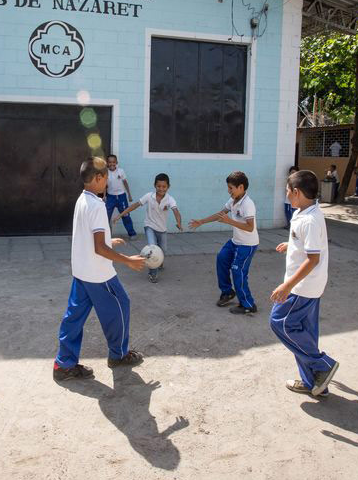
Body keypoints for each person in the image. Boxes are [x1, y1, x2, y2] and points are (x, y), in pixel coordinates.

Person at [53, 157, 146, 381]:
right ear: (98, 178)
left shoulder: (82, 200)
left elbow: (90, 237)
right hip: (98, 274)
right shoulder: (97, 205)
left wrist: (108, 240)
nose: (107, 181)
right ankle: (119, 355)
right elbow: (99, 247)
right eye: (106, 177)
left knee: (73, 318)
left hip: (82, 271)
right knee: (121, 305)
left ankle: (63, 364)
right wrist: (127, 260)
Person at [270, 170, 338, 397]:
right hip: (313, 286)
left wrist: (287, 285)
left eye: (287, 191)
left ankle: (322, 364)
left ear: (296, 192)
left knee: (279, 323)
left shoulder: (308, 220)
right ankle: (314, 383)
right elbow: (311, 246)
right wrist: (292, 244)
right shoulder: (308, 211)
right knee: (304, 335)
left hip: (301, 287)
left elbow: (313, 259)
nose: (286, 195)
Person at [189, 171, 259, 315]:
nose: (229, 191)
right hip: (236, 241)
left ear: (241, 187)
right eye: (228, 188)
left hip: (247, 245)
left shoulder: (248, 204)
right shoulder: (233, 201)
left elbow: (250, 227)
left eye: (231, 188)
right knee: (221, 258)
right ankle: (227, 292)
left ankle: (248, 304)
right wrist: (201, 221)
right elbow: (220, 214)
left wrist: (230, 221)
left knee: (237, 271)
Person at [112, 173, 182, 283]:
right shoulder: (149, 196)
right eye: (158, 186)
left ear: (168, 187)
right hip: (149, 226)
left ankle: (159, 262)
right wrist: (121, 215)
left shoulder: (170, 199)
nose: (161, 189)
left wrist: (179, 223)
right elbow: (135, 205)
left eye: (164, 187)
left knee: (163, 251)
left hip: (162, 229)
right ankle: (152, 274)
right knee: (152, 250)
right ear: (155, 185)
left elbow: (176, 212)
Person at [104, 154, 136, 240]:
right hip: (110, 197)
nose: (112, 164)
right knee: (106, 216)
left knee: (125, 215)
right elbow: (104, 185)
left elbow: (125, 183)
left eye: (113, 162)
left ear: (116, 162)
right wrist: (104, 196)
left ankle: (132, 233)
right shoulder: (106, 172)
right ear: (107, 163)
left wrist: (129, 195)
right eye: (110, 162)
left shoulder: (120, 171)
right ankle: (106, 235)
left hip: (121, 197)